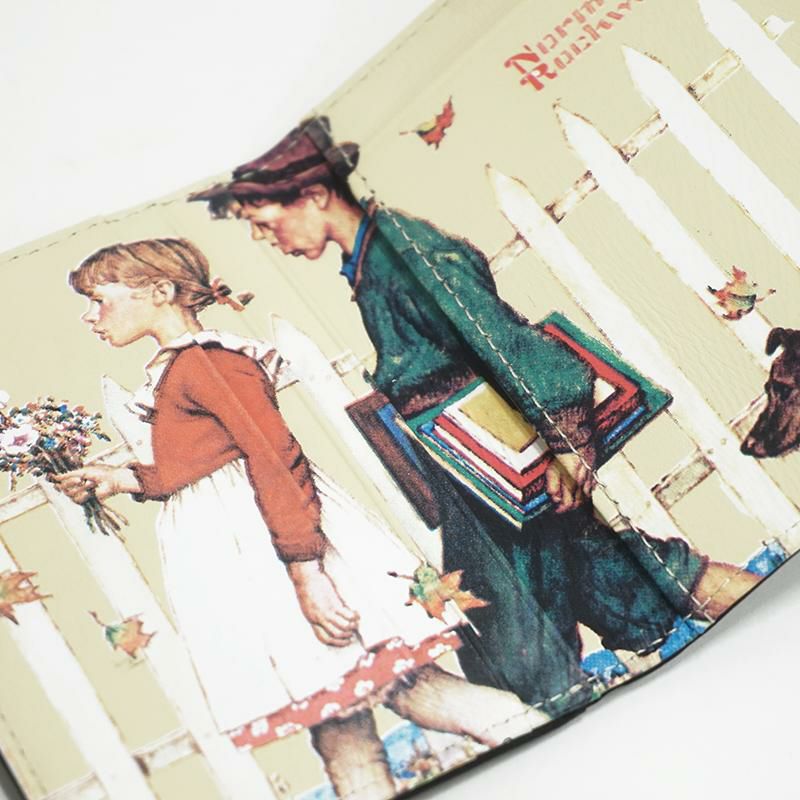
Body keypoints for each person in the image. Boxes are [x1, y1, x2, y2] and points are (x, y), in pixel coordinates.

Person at [189, 118, 761, 714]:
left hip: (508, 474)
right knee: (636, 579)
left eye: (263, 222)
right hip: (485, 471)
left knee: (513, 641)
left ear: (312, 196)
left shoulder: (403, 255)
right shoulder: (372, 262)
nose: (263, 238)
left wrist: (567, 442)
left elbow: (501, 343)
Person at [53, 238, 546, 800]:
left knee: (414, 691)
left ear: (161, 292)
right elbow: (199, 462)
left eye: (99, 300)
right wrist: (123, 479)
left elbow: (274, 458)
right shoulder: (180, 369)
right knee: (337, 730)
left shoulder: (210, 363)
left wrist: (307, 573)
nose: (90, 316)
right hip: (253, 563)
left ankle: (541, 740)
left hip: (277, 552)